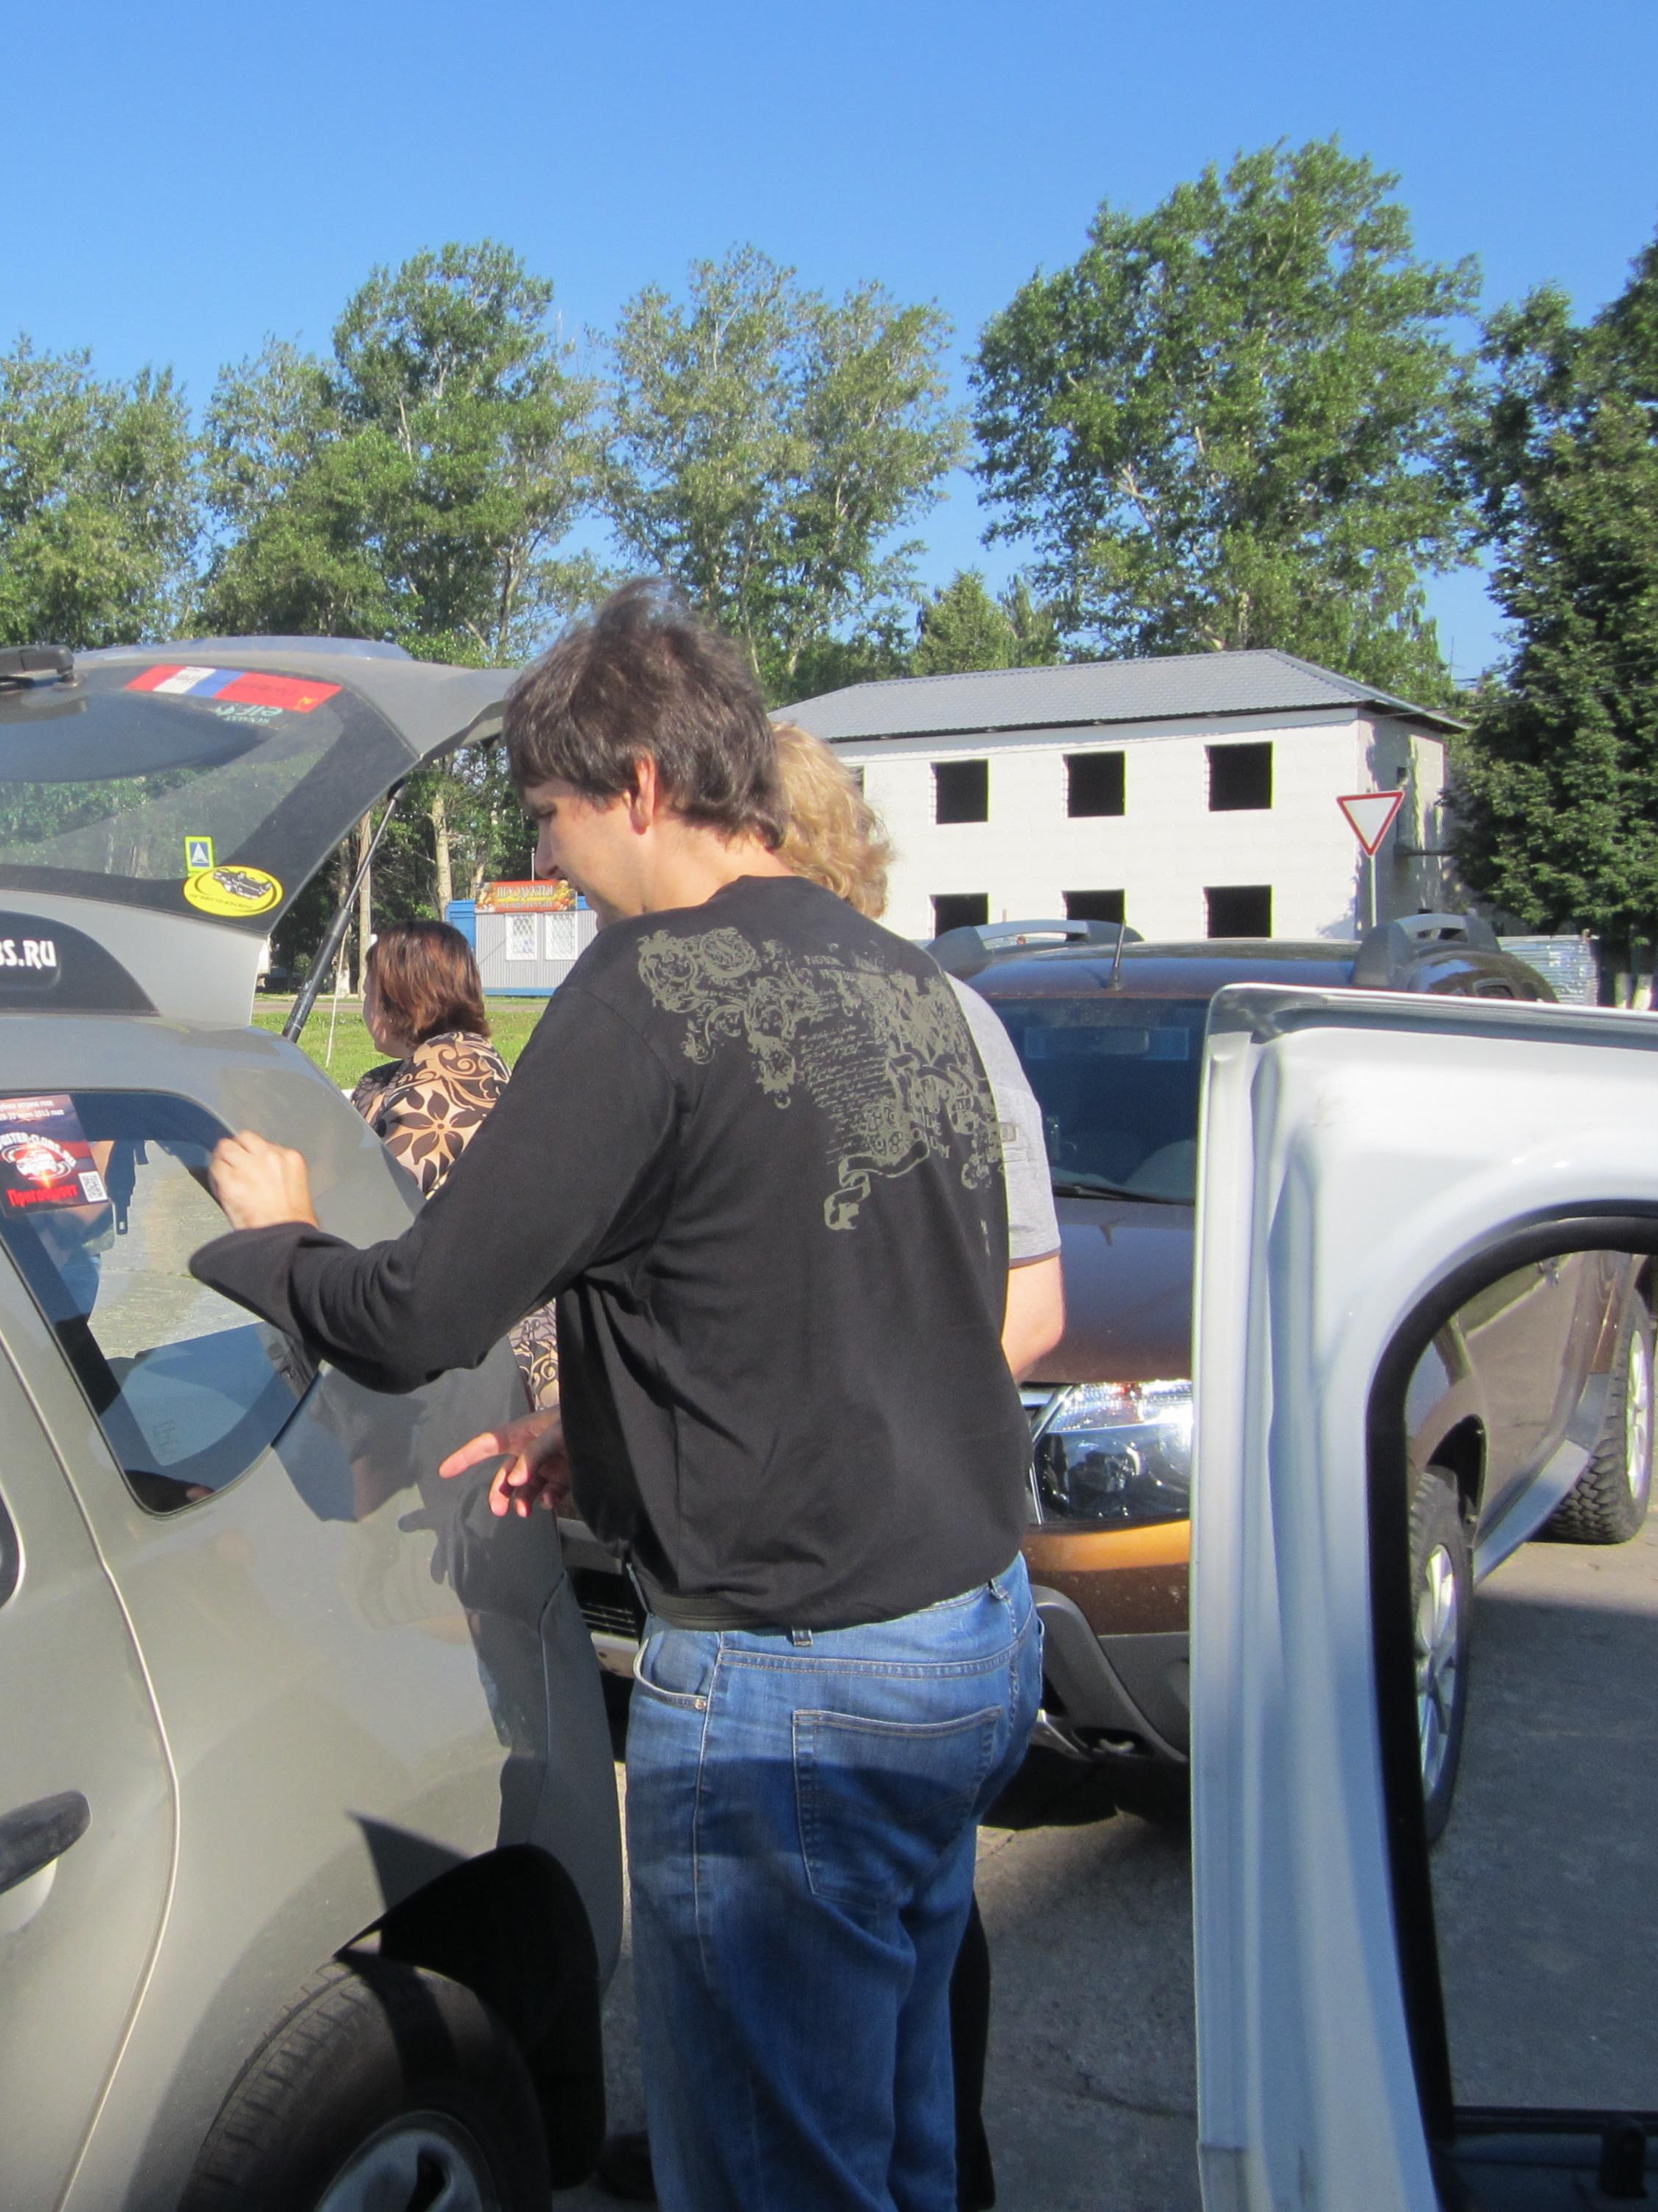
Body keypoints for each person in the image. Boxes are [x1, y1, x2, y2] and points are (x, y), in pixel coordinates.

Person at [192, 582, 1041, 2212]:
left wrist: (272, 1240)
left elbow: (417, 1312)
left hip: (800, 1684)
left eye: (549, 813)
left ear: (638, 784)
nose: (548, 854)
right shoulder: (901, 978)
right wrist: (604, 1433)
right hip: (969, 1634)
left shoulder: (648, 987)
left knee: (781, 2177)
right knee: (902, 2137)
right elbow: (863, 1301)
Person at [588, 722, 1064, 2210]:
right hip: (952, 1602)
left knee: (820, 2099)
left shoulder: (905, 1014)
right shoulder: (910, 1005)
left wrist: (840, 1430)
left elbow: (1027, 1314)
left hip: (826, 1618)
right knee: (892, 2041)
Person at [345, 920, 559, 1404]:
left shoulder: (443, 1081)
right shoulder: (447, 1064)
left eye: (369, 989)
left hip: (493, 1349)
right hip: (477, 1320)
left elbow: (376, 1208)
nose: (364, 1004)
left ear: (401, 996)